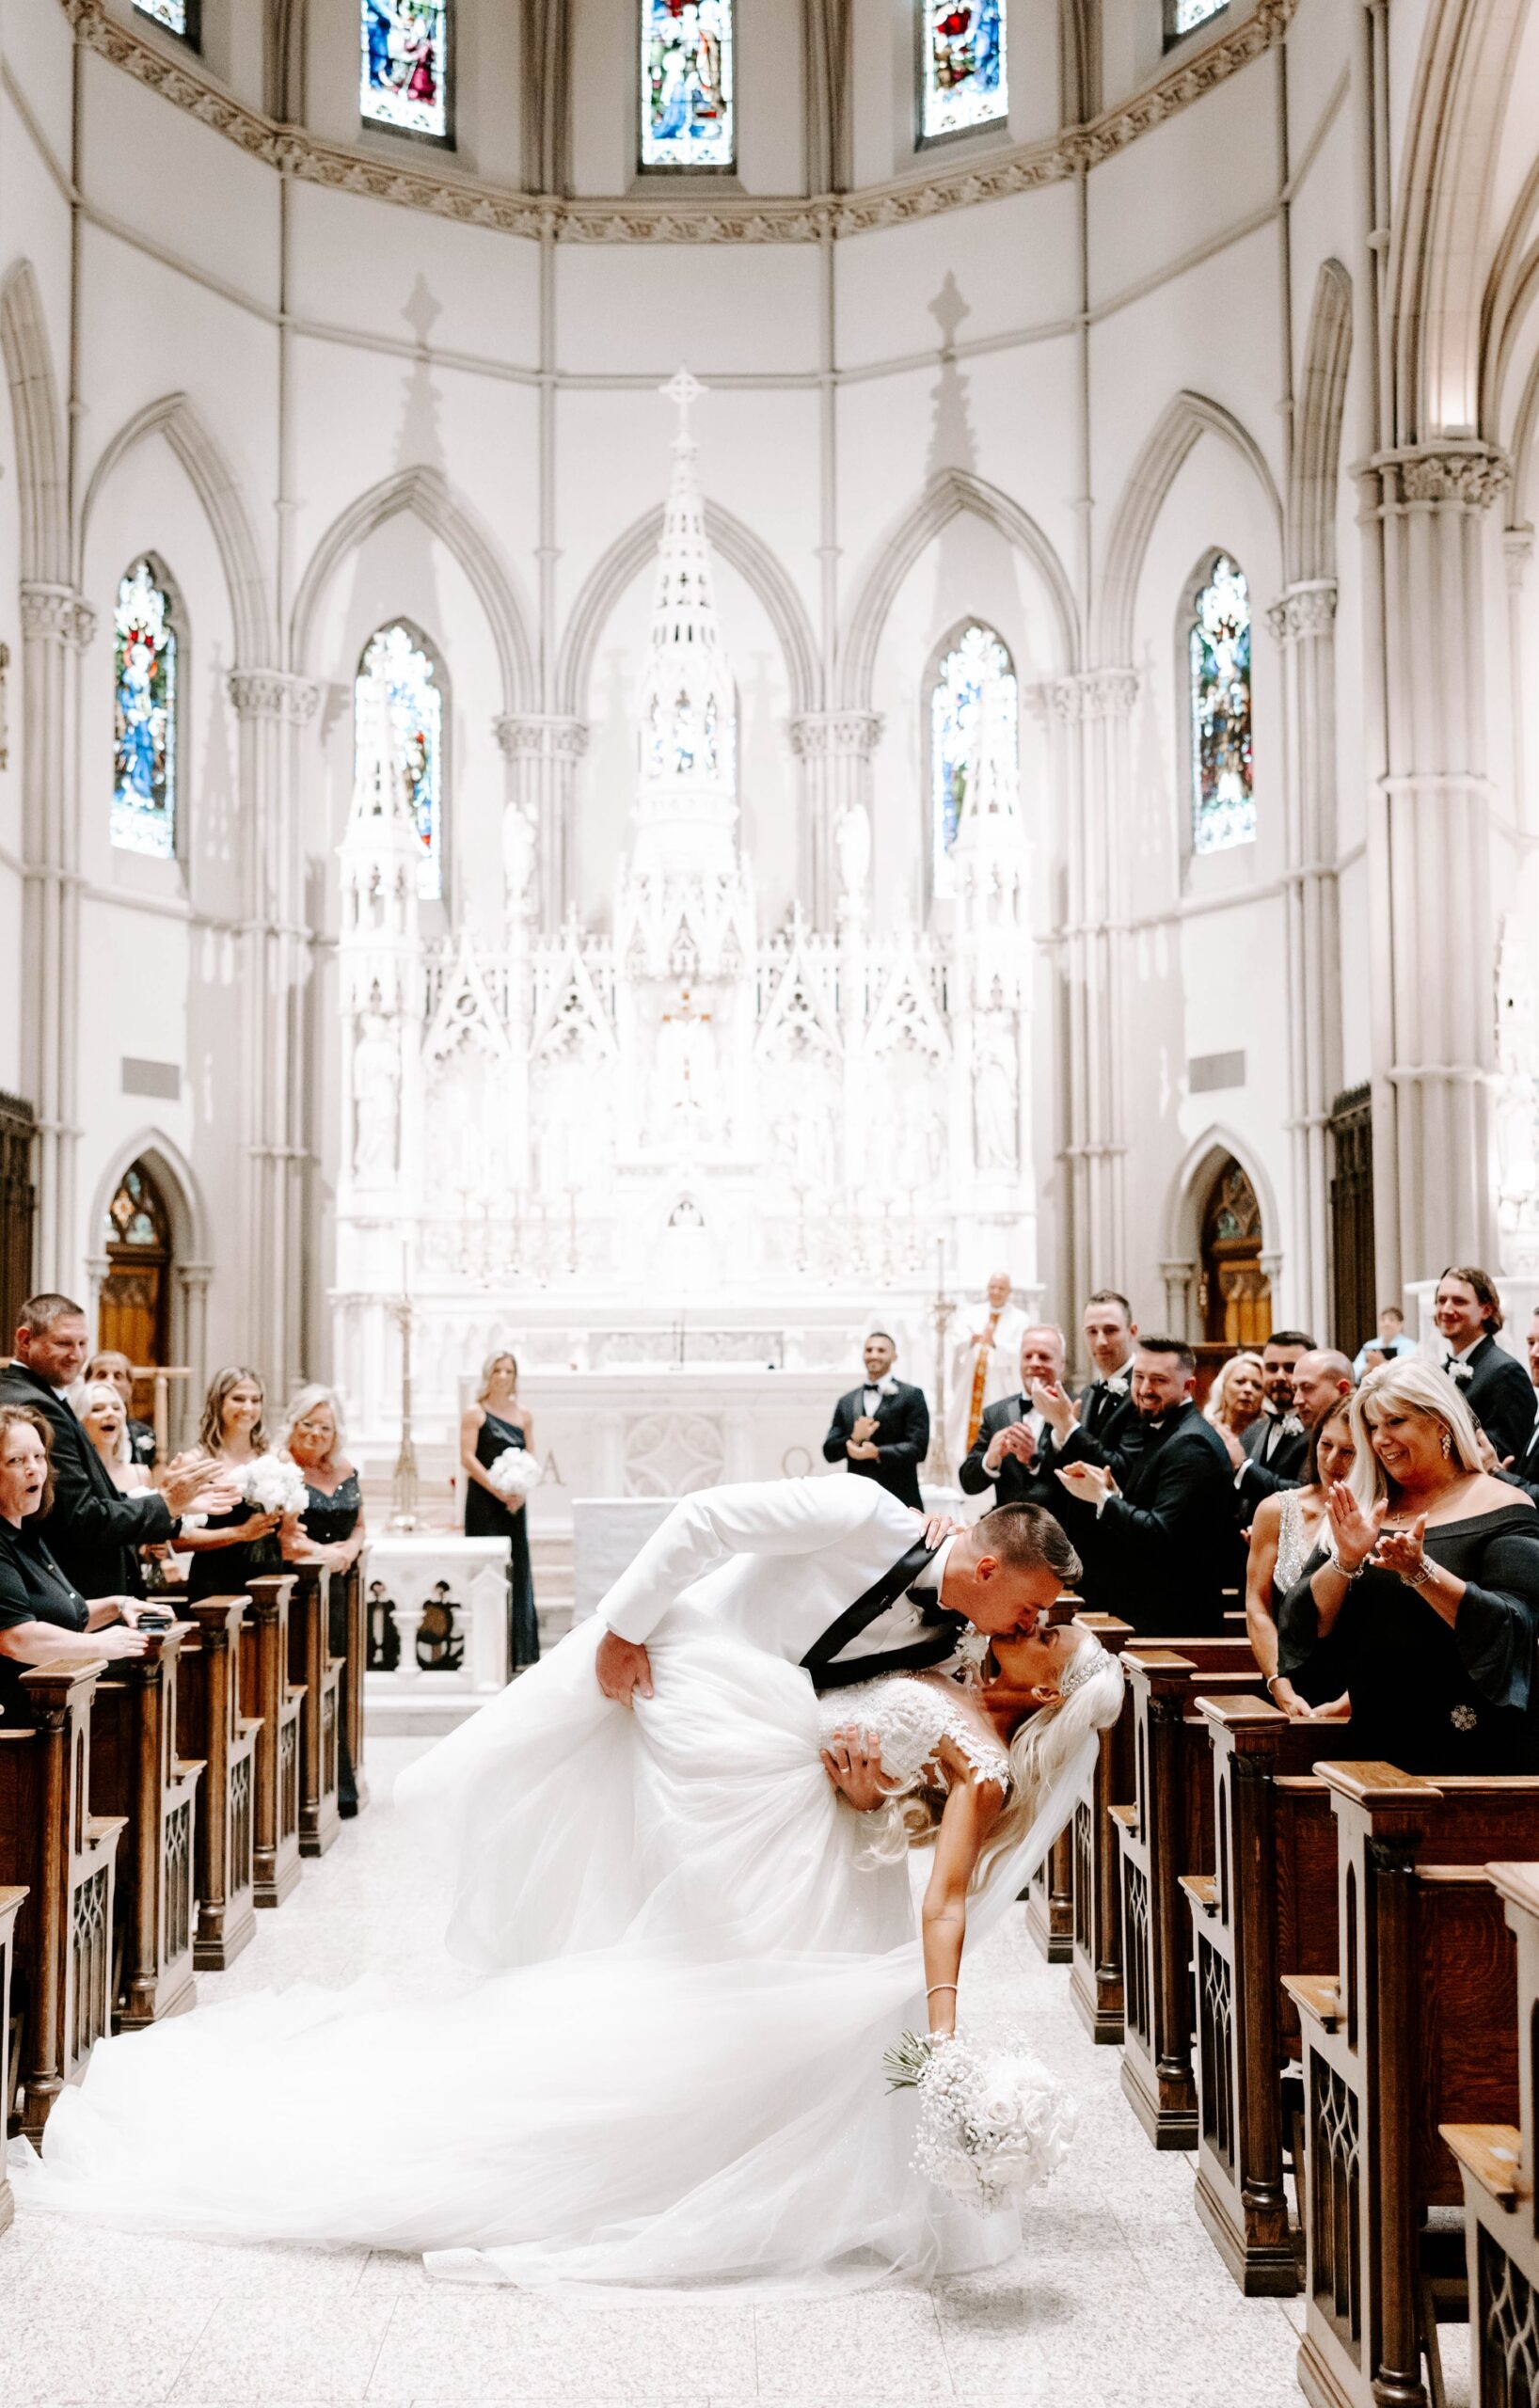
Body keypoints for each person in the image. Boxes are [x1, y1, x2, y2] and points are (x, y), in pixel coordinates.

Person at [15, 1483, 1126, 2294]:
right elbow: (700, 1521)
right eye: (1023, 1607)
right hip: (697, 1677)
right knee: (716, 1917)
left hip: (773, 1734)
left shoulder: (949, 1625)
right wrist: (622, 1630)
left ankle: (711, 2075)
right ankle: (694, 2052)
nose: (1022, 1629)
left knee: (746, 1944)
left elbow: (890, 1717)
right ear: (986, 1568)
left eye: (1035, 1625)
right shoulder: (862, 1512)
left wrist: (859, 1774)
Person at [1276, 1359, 1539, 1772]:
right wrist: (1344, 1561)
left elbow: (1515, 1627)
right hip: (1375, 1737)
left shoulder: (1505, 1506)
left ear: (1440, 1423)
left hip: (1471, 1739)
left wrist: (1422, 1573)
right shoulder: (1365, 1505)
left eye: (1395, 1421)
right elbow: (1304, 1622)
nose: (1381, 1439)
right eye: (1372, 1427)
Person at [0, 1294, 222, 1598]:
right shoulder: (35, 1403)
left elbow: (94, 1496)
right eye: (64, 1343)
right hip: (75, 1593)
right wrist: (165, 1503)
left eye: (82, 1344)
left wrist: (171, 1505)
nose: (76, 1355)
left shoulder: (41, 1394)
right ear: (25, 1340)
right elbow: (79, 1517)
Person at [1053, 1337, 1237, 1634]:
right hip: (1151, 1608)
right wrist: (1112, 1491)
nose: (1145, 1389)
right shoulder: (1165, 1429)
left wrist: (1103, 1499)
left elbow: (1161, 1535)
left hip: (1175, 1618)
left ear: (1188, 1386)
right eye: (1139, 1377)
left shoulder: (1191, 1444)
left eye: (1159, 1380)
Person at [0, 1405, 156, 1727]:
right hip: (17, 1724)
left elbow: (63, 1617)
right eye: (16, 1460)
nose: (34, 1470)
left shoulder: (28, 1532)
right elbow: (16, 1637)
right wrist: (100, 1644)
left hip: (53, 1717)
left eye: (39, 1457)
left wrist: (118, 1605)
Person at [280, 1385, 365, 1817]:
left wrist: (348, 1551)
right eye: (308, 1424)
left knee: (341, 1678)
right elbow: (283, 1533)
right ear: (293, 1425)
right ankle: (307, 1787)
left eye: (325, 1427)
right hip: (301, 1591)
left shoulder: (345, 1468)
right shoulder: (281, 1469)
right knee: (309, 1677)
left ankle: (342, 1781)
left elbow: (359, 1527)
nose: (316, 1434)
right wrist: (322, 1555)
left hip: (342, 1590)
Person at [1243, 1400, 1355, 1721]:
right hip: (1289, 1683)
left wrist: (1352, 1700)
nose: (1332, 1460)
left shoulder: (1387, 1513)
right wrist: (1281, 1686)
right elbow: (1258, 1604)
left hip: (1362, 1690)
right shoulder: (1276, 1510)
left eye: (1348, 1451)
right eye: (1326, 1444)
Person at [171, 1368, 299, 1606]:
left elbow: (290, 1530)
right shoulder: (195, 1462)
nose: (248, 1408)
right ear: (218, 1402)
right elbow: (178, 1541)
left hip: (269, 1580)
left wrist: (290, 1524)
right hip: (215, 1583)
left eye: (255, 1400)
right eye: (238, 1399)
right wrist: (239, 1533)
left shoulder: (279, 1460)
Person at [460, 1351, 538, 1671]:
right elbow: (467, 1457)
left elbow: (530, 1457)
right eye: (498, 1370)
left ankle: (518, 1650)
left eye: (509, 1371)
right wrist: (496, 1488)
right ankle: (486, 1651)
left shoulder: (524, 1415)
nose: (503, 1376)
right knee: (486, 1571)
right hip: (484, 1501)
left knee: (517, 1568)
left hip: (514, 1505)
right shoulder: (475, 1413)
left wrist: (519, 1491)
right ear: (488, 1374)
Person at [959, 1326, 1082, 1514]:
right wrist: (990, 1460)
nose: (1034, 1363)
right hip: (1007, 1534)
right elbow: (968, 1483)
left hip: (1062, 1530)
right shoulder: (996, 1413)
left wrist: (1034, 1460)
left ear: (1062, 1363)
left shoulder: (1078, 1408)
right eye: (1027, 1356)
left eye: (1044, 1357)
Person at [1435, 1265, 1538, 1466]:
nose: (1446, 1309)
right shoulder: (1440, 1372)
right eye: (1441, 1300)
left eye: (1459, 1301)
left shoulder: (1506, 1372)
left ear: (1486, 1310)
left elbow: (1506, 1454)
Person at [821, 1331, 929, 1511]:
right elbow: (829, 1452)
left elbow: (918, 1449)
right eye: (869, 1350)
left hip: (900, 1497)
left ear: (894, 1356)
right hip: (856, 1501)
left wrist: (877, 1453)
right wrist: (854, 1438)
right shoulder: (847, 1401)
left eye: (881, 1350)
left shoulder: (912, 1396)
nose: (874, 1355)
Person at [946, 1271, 1029, 1465]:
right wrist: (970, 1340)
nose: (996, 1291)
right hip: (971, 1382)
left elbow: (1021, 1350)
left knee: (998, 1417)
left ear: (1009, 1292)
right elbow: (957, 1340)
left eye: (1001, 1288)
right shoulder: (972, 1313)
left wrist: (996, 1344)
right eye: (992, 1287)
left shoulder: (1020, 1318)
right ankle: (968, 1458)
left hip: (1000, 1383)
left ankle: (1000, 1457)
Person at [1227, 1329, 1314, 1501]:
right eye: (1272, 1368)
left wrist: (1244, 1468)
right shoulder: (1253, 1430)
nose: (1280, 1377)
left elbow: (1307, 1494)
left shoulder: (1319, 1431)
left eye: (1290, 1368)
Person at [1076, 1291, 1139, 1444]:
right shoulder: (1086, 1394)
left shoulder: (1144, 1390)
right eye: (1092, 1331)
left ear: (1132, 1332)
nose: (1100, 1342)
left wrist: (1068, 1428)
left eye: (1110, 1330)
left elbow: (1125, 1464)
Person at [86, 1349, 157, 1467]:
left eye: (118, 1376)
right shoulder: (74, 1431)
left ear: (129, 1387)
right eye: (101, 1375)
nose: (110, 1381)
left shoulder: (144, 1435)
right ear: (87, 1383)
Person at [1203, 1351, 1265, 1444]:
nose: (1248, 1389)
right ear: (1223, 1387)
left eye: (1257, 1386)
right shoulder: (1204, 1429)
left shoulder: (1267, 1437)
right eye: (1240, 1382)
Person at [1352, 1305, 1416, 1381]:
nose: (1386, 1324)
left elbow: (1408, 1369)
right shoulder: (1369, 1345)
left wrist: (1383, 1363)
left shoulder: (1409, 1345)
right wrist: (1367, 1369)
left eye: (1391, 1320)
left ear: (1400, 1324)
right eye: (1383, 1320)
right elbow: (1355, 1369)